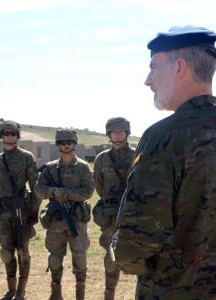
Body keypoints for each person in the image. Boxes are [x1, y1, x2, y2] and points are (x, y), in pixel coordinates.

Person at [110, 25, 216, 299]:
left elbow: (138, 239)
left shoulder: (164, 137)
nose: (148, 80)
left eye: (154, 67)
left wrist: (121, 255)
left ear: (179, 67)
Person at [35, 128, 94, 300]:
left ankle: (80, 294)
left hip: (77, 220)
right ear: (58, 145)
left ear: (74, 144)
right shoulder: (50, 168)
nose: (66, 145)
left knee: (80, 257)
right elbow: (39, 191)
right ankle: (56, 293)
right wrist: (54, 192)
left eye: (69, 142)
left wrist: (66, 193)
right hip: (56, 221)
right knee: (55, 257)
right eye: (62, 143)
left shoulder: (83, 167)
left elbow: (88, 191)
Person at [0, 120, 41, 300]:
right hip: (2, 213)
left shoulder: (26, 157)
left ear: (18, 136)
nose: (10, 136)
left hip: (21, 212)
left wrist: (34, 211)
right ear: (1, 136)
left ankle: (21, 291)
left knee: (23, 252)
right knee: (6, 252)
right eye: (7, 133)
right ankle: (11, 289)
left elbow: (36, 187)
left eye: (13, 133)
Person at [92, 117, 135, 300]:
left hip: (134, 213)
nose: (117, 135)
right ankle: (109, 295)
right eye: (114, 132)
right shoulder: (102, 158)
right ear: (109, 134)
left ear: (127, 133)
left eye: (121, 131)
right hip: (111, 216)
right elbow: (99, 185)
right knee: (111, 257)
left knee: (139, 255)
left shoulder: (137, 154)